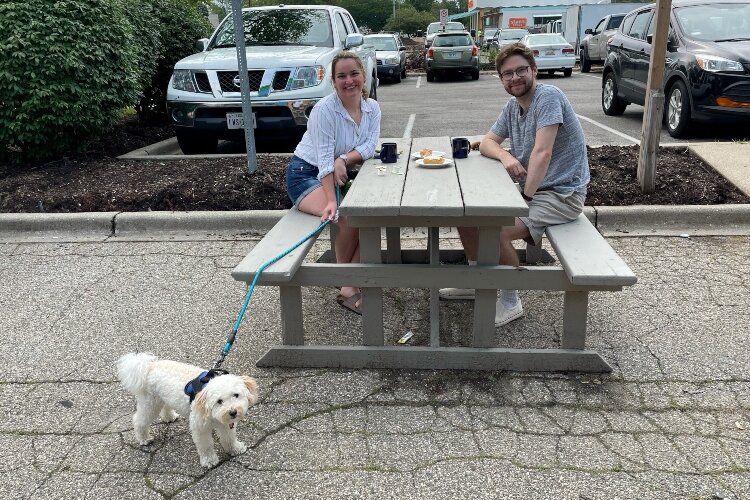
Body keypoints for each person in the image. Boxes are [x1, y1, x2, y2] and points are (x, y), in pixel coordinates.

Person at [440, 42, 590, 327]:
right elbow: (487, 142)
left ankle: (510, 300)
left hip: (560, 194)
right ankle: (479, 281)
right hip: (532, 190)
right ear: (501, 79)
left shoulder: (548, 97)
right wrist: (505, 154)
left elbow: (542, 153)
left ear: (534, 70)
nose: (515, 78)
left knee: (492, 229)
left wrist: (524, 197)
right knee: (466, 218)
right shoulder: (513, 106)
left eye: (521, 70)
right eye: (507, 74)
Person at [286, 51, 381, 315]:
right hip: (305, 175)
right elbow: (324, 162)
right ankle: (348, 285)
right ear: (333, 81)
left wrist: (344, 158)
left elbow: (369, 146)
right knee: (346, 217)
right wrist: (331, 199)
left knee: (372, 217)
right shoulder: (324, 110)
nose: (349, 80)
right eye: (342, 76)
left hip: (338, 171)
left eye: (354, 74)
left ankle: (347, 278)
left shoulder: (372, 108)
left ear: (363, 75)